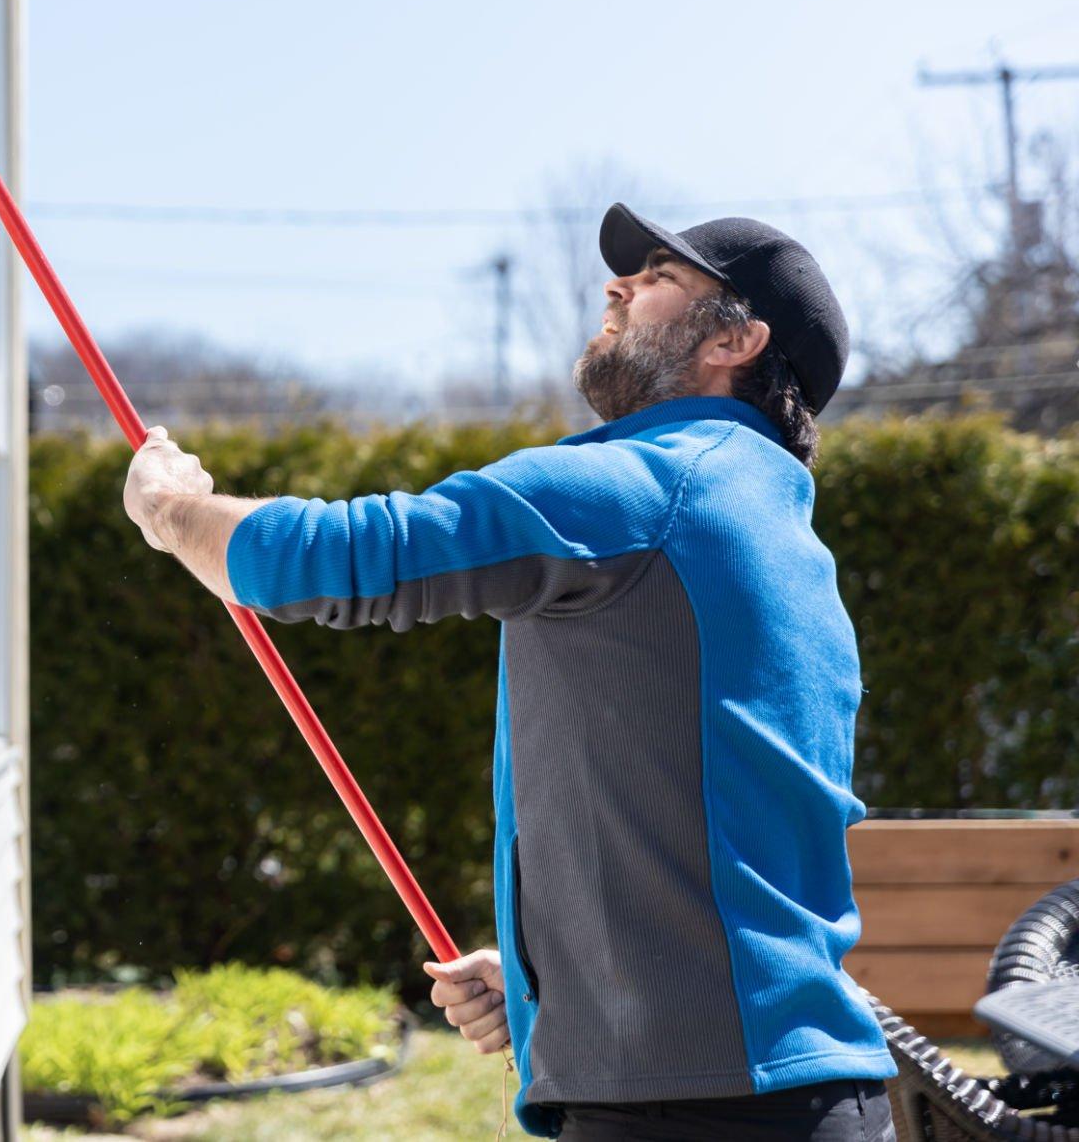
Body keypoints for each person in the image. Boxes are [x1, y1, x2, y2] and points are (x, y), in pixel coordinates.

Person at [121, 204, 898, 1140]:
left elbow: (344, 557)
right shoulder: (768, 527)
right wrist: (548, 978)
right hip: (778, 1094)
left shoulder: (652, 484)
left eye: (658, 276)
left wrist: (177, 511)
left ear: (735, 338)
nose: (616, 287)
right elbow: (699, 829)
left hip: (696, 1107)